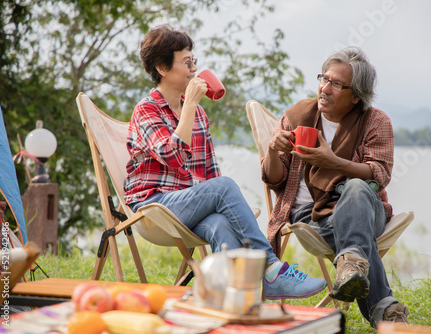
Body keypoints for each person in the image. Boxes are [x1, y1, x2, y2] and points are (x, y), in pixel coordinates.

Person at [123, 24, 327, 300]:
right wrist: (191, 106)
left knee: (220, 222)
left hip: (188, 205)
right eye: (187, 62)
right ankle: (271, 268)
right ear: (162, 67)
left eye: (194, 60)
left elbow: (209, 174)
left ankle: (225, 303)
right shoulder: (146, 110)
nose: (194, 68)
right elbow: (173, 157)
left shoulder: (199, 116)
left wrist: (193, 109)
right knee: (224, 187)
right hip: (153, 207)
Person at [261, 46, 409, 326]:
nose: (325, 88)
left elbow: (379, 174)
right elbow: (274, 179)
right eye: (324, 79)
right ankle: (380, 304)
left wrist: (333, 160)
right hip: (310, 216)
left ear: (356, 96)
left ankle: (352, 264)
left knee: (355, 186)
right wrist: (271, 150)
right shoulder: (297, 116)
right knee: (357, 238)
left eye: (337, 84)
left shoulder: (375, 121)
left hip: (364, 209)